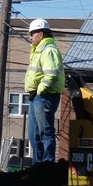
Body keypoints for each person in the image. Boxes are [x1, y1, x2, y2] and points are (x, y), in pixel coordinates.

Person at [24, 18, 65, 164]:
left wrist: (40, 90)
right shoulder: (40, 50)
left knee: (45, 132)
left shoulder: (49, 50)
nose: (30, 37)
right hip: (37, 97)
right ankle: (38, 166)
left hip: (45, 96)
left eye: (32, 34)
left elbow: (52, 74)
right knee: (34, 134)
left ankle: (46, 166)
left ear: (40, 34)